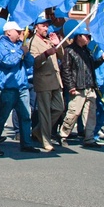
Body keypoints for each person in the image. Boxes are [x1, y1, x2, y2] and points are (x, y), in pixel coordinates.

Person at [0, 21, 39, 154]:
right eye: (17, 31)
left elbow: (30, 63)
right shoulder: (1, 45)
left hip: (22, 86)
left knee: (25, 116)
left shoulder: (19, 45)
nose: (20, 34)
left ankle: (26, 143)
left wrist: (26, 53)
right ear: (8, 32)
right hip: (8, 87)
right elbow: (7, 61)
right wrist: (20, 52)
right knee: (2, 116)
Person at [57, 23, 104, 148]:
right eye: (86, 36)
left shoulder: (87, 51)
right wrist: (70, 86)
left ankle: (89, 138)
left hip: (90, 86)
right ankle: (63, 135)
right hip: (78, 87)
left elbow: (91, 66)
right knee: (73, 112)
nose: (88, 39)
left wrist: (101, 59)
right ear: (78, 36)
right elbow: (66, 69)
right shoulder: (70, 50)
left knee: (90, 114)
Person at [28, 14, 64, 152]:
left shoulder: (49, 40)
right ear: (36, 27)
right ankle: (45, 139)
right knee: (44, 112)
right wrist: (46, 54)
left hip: (55, 80)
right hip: (43, 81)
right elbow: (35, 63)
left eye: (47, 26)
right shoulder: (32, 42)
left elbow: (62, 56)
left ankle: (38, 131)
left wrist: (57, 44)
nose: (46, 28)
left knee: (59, 108)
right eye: (43, 25)